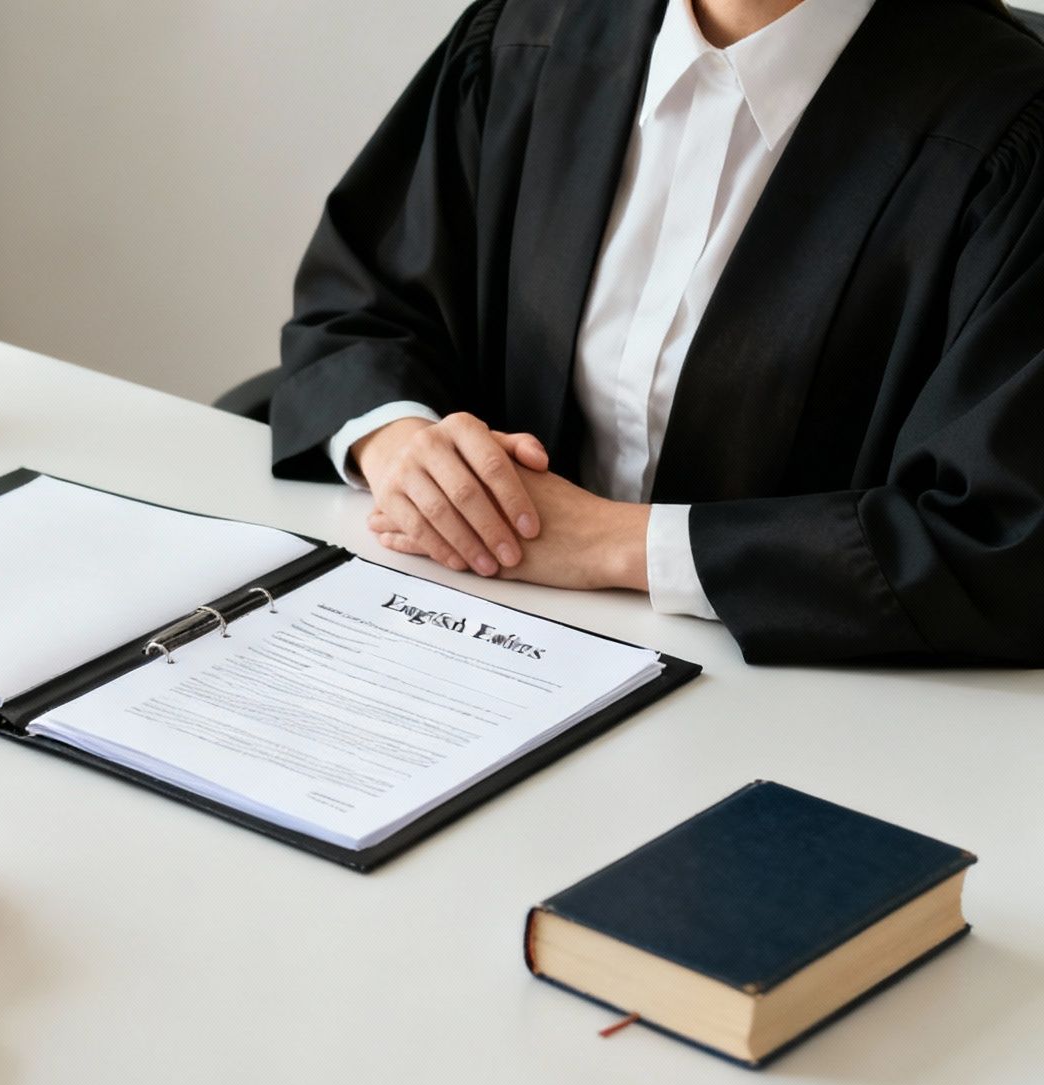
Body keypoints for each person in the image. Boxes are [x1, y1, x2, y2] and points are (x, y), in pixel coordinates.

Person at [272, 0, 1044, 665]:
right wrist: (405, 447)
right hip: (470, 634)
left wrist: (614, 545)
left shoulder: (1011, 132)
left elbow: (1005, 543)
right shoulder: (528, 33)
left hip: (812, 711)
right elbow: (360, 303)